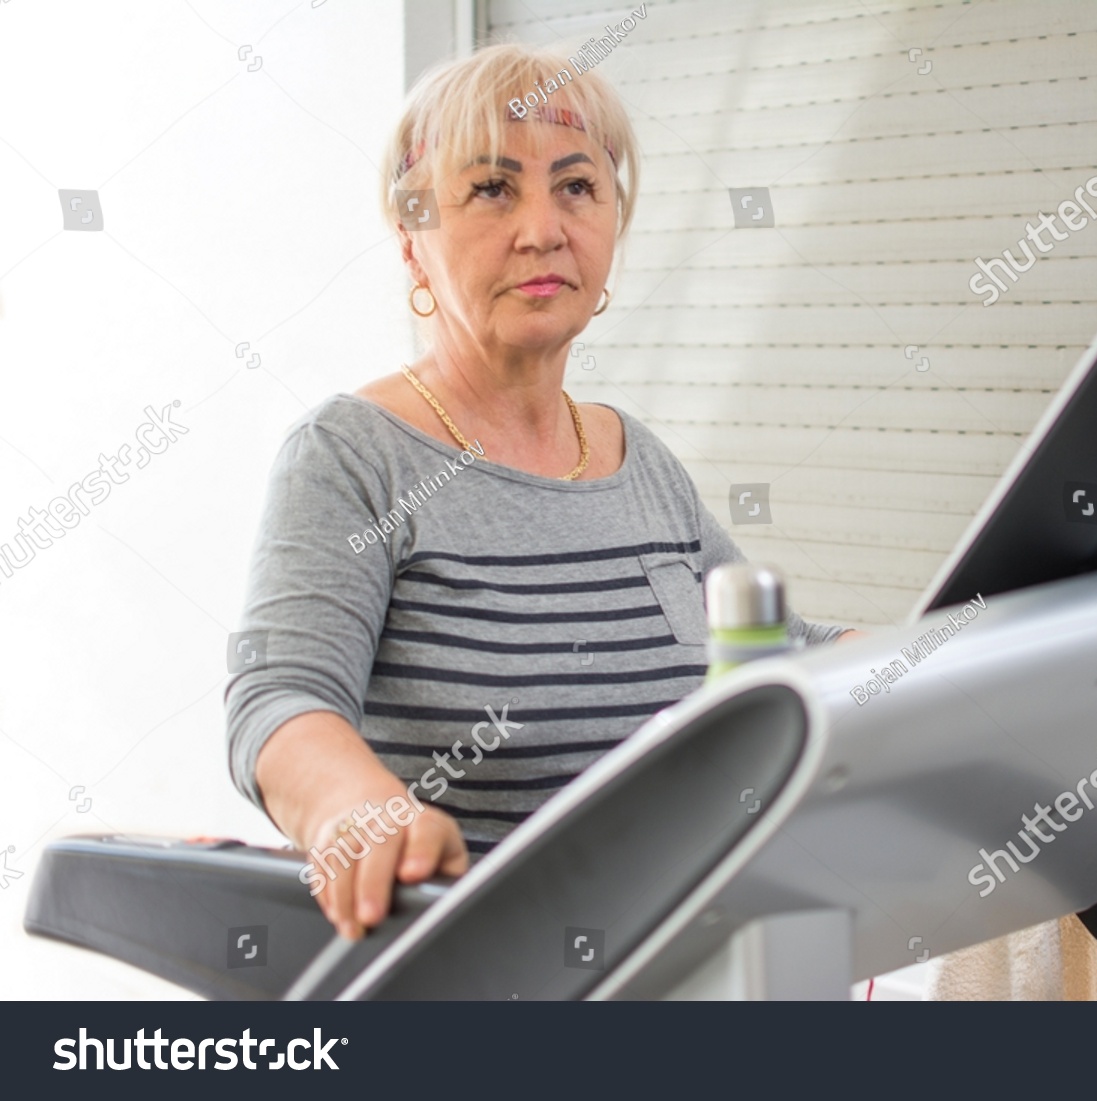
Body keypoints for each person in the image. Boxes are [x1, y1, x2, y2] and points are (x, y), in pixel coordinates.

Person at [224, 42, 861, 942]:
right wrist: (354, 810)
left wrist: (930, 652)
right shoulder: (353, 456)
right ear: (412, 237)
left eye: (576, 186)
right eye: (490, 189)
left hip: (684, 962)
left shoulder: (635, 459)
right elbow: (278, 700)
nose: (543, 229)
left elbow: (767, 650)